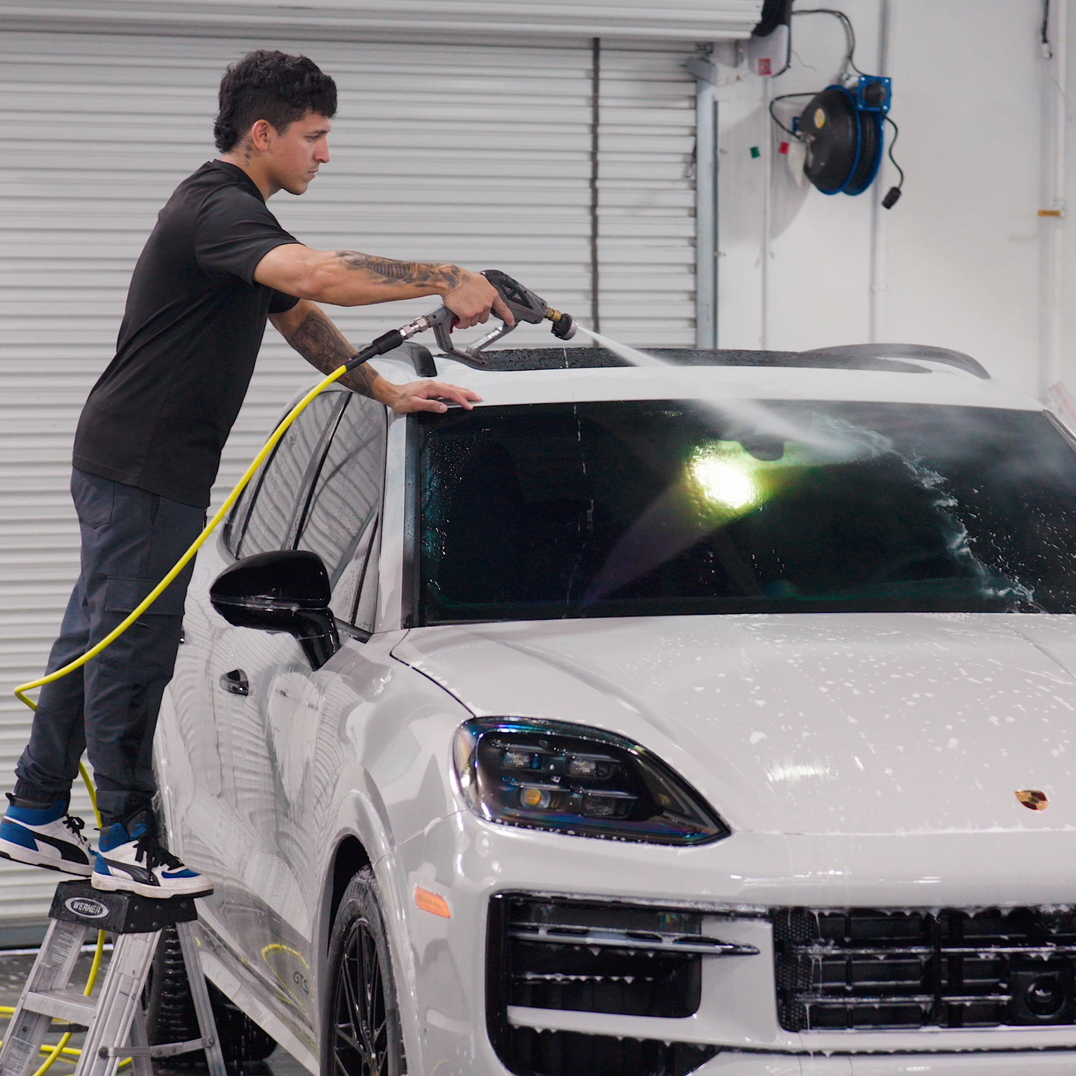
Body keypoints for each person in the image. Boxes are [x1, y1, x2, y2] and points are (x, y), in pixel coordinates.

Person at [0, 49, 509, 899]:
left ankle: (36, 807)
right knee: (135, 648)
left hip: (133, 461)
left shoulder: (237, 223)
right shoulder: (217, 209)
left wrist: (384, 391)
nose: (326, 154)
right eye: (315, 136)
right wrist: (446, 276)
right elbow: (315, 274)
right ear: (263, 133)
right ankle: (126, 838)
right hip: (143, 467)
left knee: (102, 634)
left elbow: (296, 310)